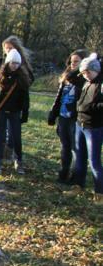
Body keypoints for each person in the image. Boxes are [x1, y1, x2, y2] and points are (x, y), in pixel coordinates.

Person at [0, 49, 30, 174]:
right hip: (2, 111)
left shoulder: (22, 78)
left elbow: (25, 98)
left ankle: (19, 161)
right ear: (8, 62)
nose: (15, 65)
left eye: (17, 63)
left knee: (16, 137)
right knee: (0, 136)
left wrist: (25, 113)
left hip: (15, 111)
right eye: (12, 63)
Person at [48, 49, 88, 183]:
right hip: (63, 116)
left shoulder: (85, 79)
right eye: (71, 62)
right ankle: (63, 172)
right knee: (65, 146)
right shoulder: (66, 76)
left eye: (76, 62)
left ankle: (75, 177)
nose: (73, 64)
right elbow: (59, 97)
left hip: (75, 118)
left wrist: (79, 71)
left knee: (76, 149)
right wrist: (53, 114)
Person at [70, 53, 102, 201]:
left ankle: (99, 192)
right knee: (79, 157)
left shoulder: (100, 84)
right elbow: (70, 77)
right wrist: (83, 65)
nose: (86, 75)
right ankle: (78, 185)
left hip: (93, 127)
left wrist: (91, 107)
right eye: (83, 73)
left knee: (94, 161)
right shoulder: (85, 81)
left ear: (96, 70)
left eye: (88, 72)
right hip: (79, 124)